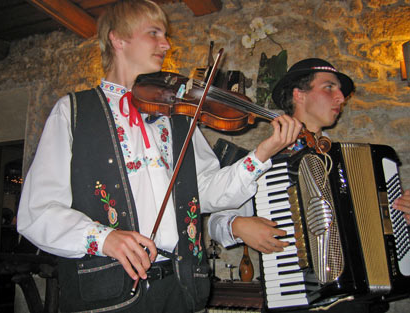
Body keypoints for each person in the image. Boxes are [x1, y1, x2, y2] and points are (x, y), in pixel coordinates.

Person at [16, 1, 302, 312]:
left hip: (179, 289)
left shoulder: (178, 117)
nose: (166, 44)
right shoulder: (72, 111)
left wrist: (262, 154)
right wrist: (104, 238)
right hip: (106, 296)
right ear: (118, 39)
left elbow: (205, 192)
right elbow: (37, 212)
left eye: (164, 35)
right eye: (154, 33)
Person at [208, 58, 410, 312]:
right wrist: (237, 225)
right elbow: (215, 222)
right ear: (299, 95)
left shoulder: (352, 164)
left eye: (341, 92)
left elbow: (383, 239)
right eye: (329, 87)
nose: (341, 98)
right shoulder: (263, 163)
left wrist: (401, 220)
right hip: (300, 301)